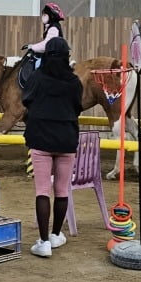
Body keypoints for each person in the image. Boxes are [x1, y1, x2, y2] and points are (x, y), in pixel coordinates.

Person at [21, 35, 84, 258]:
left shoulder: (37, 78)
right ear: (67, 57)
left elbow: (26, 101)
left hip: (40, 138)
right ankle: (57, 235)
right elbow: (78, 107)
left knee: (42, 191)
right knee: (61, 190)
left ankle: (44, 242)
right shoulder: (74, 82)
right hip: (66, 139)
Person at [24, 3, 65, 67]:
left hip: (55, 59)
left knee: (38, 64)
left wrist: (32, 47)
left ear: (51, 16)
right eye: (43, 15)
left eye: (45, 15)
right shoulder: (51, 27)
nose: (42, 17)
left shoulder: (53, 28)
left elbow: (46, 45)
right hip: (54, 57)